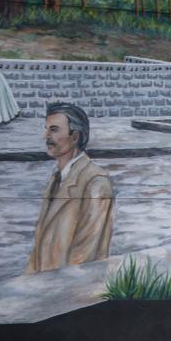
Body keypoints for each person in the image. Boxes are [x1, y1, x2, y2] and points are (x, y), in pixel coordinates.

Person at [25, 102, 115, 273]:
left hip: (67, 290)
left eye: (53, 130)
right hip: (42, 286)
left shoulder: (95, 182)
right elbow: (39, 247)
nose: (45, 136)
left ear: (74, 137)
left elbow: (86, 256)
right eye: (46, 129)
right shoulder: (57, 177)